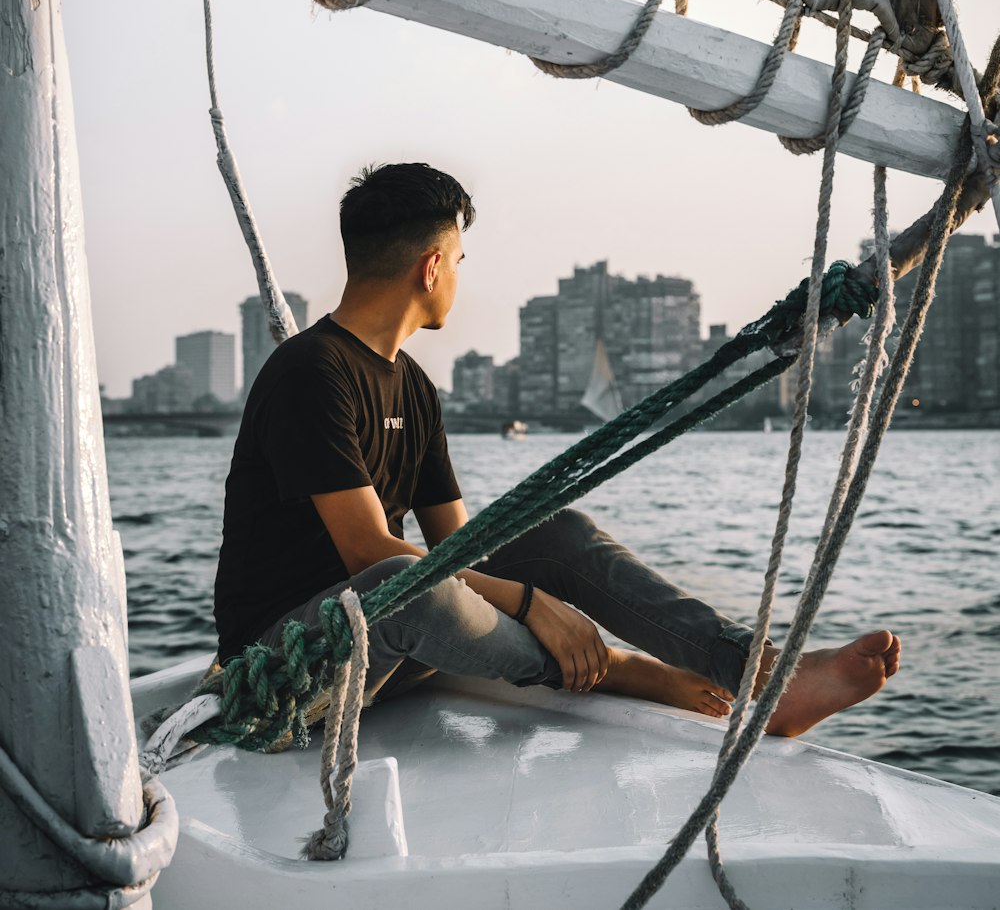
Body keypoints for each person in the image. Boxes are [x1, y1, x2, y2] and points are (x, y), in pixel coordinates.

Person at [214, 162, 900, 737]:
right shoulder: (312, 372)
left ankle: (762, 675)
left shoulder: (414, 388)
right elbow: (370, 553)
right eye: (458, 259)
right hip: (289, 667)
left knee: (558, 535)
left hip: (390, 654)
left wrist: (527, 588)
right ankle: (630, 672)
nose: (458, 274)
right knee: (403, 586)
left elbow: (457, 548)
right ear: (430, 267)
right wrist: (528, 604)